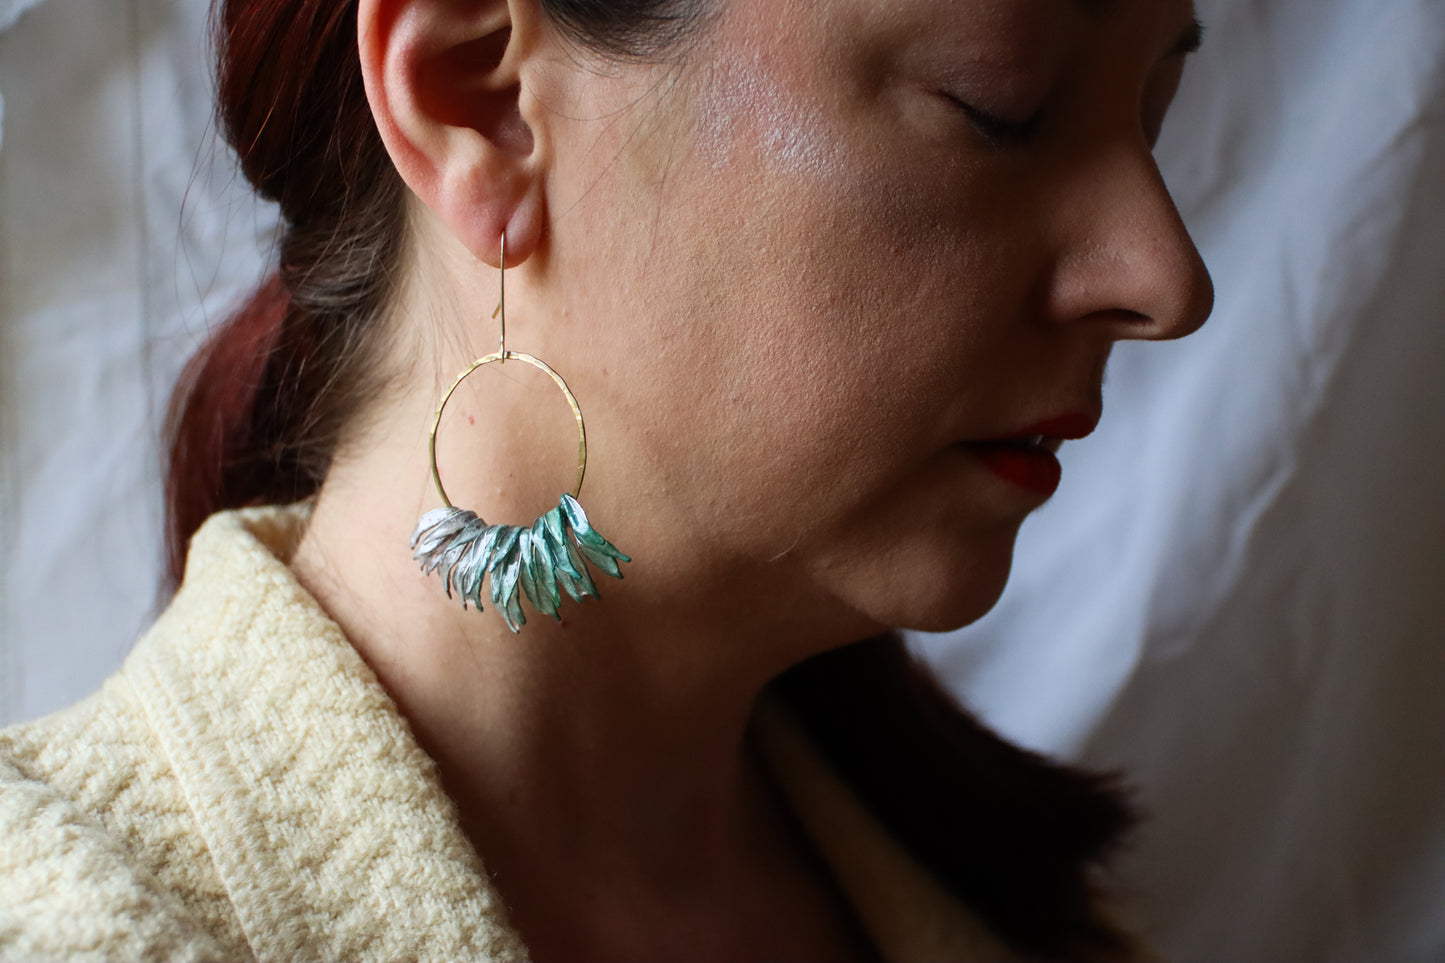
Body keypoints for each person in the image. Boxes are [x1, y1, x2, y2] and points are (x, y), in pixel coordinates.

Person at [0, 0, 1213, 959]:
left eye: (1152, 118)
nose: (1164, 277)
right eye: (998, 101)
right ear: (483, 103)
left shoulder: (1034, 913)